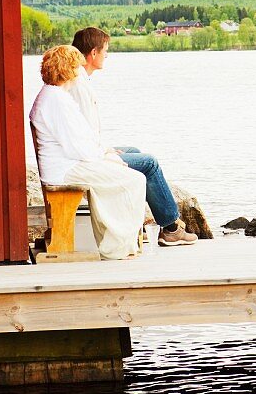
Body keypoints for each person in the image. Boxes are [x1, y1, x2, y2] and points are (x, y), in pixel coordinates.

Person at [69, 27, 197, 246]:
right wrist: (105, 151)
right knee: (149, 163)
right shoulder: (79, 86)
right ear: (93, 53)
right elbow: (84, 134)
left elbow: (84, 130)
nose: (107, 55)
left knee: (133, 152)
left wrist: (107, 149)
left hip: (85, 152)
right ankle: (171, 227)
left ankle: (138, 225)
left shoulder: (79, 80)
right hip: (84, 159)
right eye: (105, 50)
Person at [29, 45, 146, 260]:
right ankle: (116, 246)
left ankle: (114, 240)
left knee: (117, 168)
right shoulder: (57, 100)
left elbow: (78, 140)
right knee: (135, 179)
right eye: (76, 66)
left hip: (64, 164)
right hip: (66, 169)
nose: (79, 71)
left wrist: (104, 153)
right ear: (67, 68)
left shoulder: (51, 95)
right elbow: (78, 146)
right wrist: (103, 155)